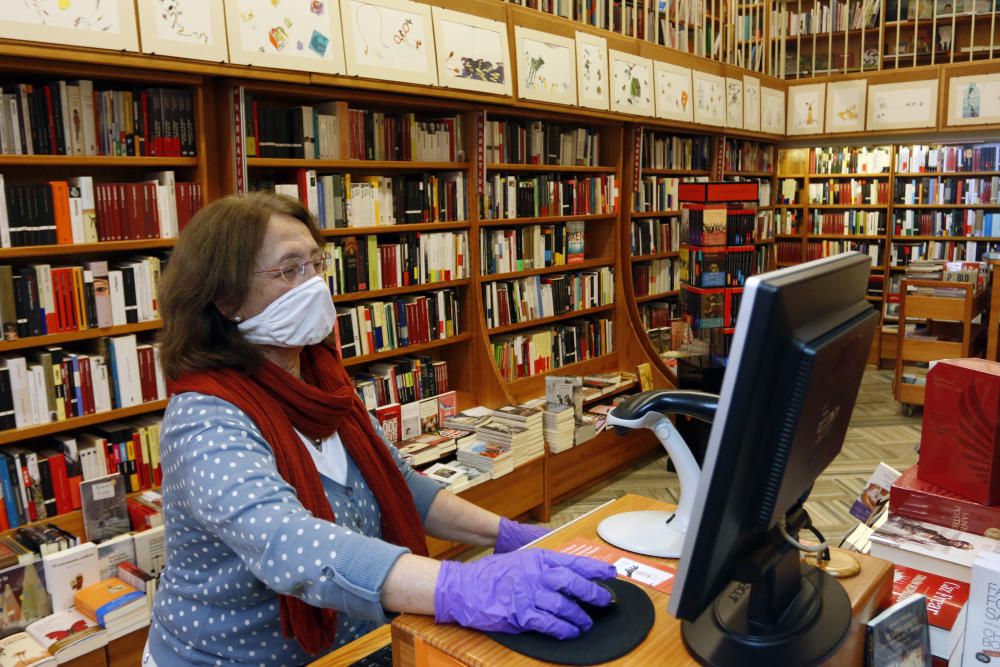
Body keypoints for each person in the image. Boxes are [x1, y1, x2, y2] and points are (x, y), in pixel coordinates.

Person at [143, 192, 616, 666]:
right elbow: (286, 543)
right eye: (290, 270)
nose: (315, 285)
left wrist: (509, 533)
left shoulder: (323, 382)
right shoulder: (204, 416)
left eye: (316, 263)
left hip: (353, 646)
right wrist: (458, 584)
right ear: (226, 299)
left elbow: (400, 486)